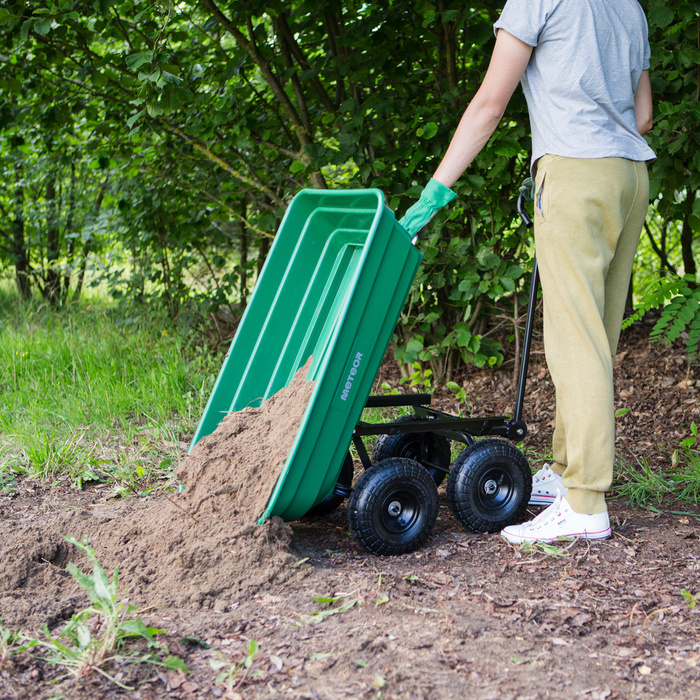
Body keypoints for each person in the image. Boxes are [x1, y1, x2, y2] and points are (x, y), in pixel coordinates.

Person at [400, 0, 655, 544]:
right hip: (630, 176)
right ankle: (566, 475)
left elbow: (490, 104)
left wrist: (432, 195)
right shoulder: (629, 6)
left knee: (575, 341)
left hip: (574, 173)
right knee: (597, 335)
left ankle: (586, 504)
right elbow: (644, 116)